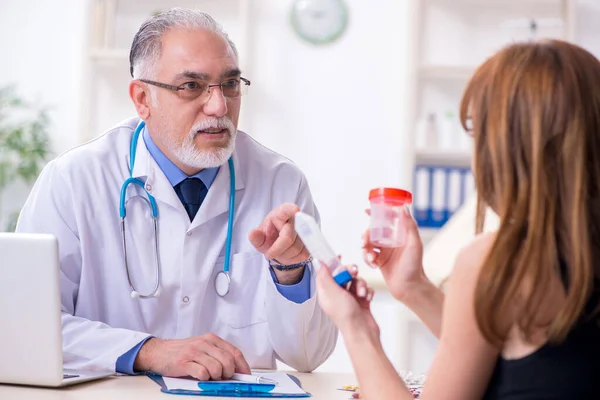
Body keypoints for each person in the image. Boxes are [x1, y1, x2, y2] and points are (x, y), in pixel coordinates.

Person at [15, 8, 337, 379]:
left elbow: (310, 355)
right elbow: (25, 327)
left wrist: (290, 271)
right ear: (142, 99)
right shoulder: (74, 181)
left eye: (230, 84)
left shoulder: (281, 182)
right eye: (191, 86)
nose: (219, 106)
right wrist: (148, 351)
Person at [316, 39, 600, 399]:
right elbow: (525, 357)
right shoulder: (579, 254)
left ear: (507, 148)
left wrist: (355, 327)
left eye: (480, 134)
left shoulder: (498, 262)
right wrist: (414, 286)